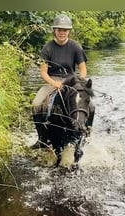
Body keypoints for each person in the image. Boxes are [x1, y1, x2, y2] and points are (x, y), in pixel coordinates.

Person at [30, 13, 88, 149]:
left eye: (65, 30)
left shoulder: (76, 47)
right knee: (36, 104)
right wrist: (54, 83)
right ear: (54, 31)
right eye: (59, 30)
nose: (62, 33)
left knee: (90, 105)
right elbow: (43, 73)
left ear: (69, 31)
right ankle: (42, 139)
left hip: (72, 81)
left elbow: (83, 69)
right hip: (53, 81)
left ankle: (86, 130)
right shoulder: (47, 48)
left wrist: (80, 80)